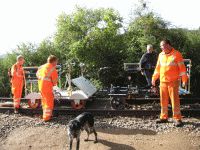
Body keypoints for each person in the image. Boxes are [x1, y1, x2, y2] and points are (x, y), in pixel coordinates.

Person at [152, 39, 188, 127]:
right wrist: (154, 78)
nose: (161, 47)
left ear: (168, 45)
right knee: (163, 101)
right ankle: (164, 117)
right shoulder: (161, 55)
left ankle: (177, 118)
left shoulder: (177, 54)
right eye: (161, 46)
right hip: (163, 81)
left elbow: (182, 69)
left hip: (173, 82)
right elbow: (158, 68)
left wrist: (184, 80)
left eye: (162, 45)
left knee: (174, 101)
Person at [36, 55, 58, 121]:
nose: (56, 63)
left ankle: (45, 115)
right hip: (47, 87)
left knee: (44, 101)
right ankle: (47, 117)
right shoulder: (53, 69)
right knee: (49, 101)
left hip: (41, 86)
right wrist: (54, 86)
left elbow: (37, 74)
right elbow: (54, 81)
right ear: (53, 61)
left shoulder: (42, 67)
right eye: (56, 62)